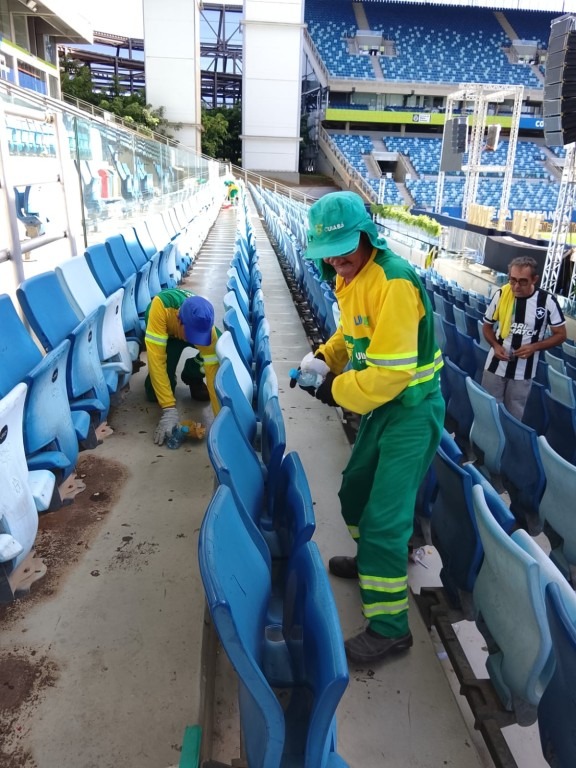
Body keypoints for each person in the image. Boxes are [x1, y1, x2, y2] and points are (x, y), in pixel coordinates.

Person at [298, 191, 445, 665]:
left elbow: (390, 375)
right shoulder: (351, 277)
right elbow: (352, 334)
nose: (336, 262)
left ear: (367, 236)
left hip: (411, 412)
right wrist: (324, 358)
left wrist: (333, 389)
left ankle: (390, 628)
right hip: (382, 409)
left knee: (384, 521)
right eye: (328, 253)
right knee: (354, 493)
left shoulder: (393, 281)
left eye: (344, 250)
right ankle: (372, 563)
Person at [481, 256, 566, 420]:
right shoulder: (502, 294)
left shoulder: (547, 301)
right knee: (489, 413)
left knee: (513, 417)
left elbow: (561, 334)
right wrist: (495, 346)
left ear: (534, 279)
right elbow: (487, 326)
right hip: (494, 366)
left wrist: (534, 347)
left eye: (522, 282)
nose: (516, 286)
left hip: (524, 372)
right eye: (512, 280)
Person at [144, 289, 220, 445]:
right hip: (165, 329)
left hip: (187, 327)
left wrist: (220, 418)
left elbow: (213, 375)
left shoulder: (207, 329)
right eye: (194, 336)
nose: (197, 341)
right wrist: (168, 409)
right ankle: (163, 387)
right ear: (179, 321)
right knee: (154, 394)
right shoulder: (160, 308)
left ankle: (192, 373)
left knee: (220, 353)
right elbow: (156, 360)